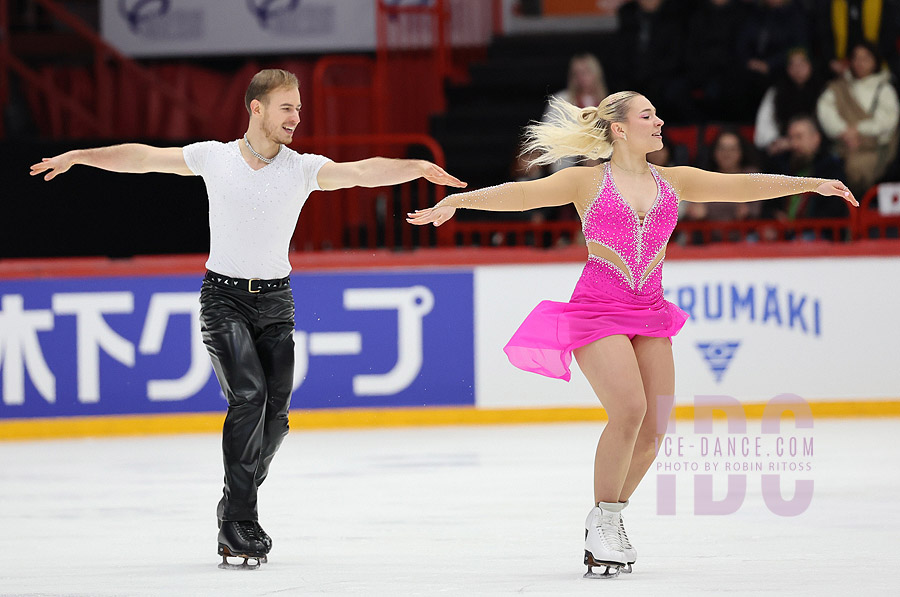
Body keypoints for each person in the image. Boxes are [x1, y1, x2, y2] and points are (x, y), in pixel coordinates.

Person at [407, 91, 856, 579]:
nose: (661, 121)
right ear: (620, 129)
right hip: (598, 311)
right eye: (649, 115)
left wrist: (811, 182)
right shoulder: (586, 180)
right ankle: (605, 522)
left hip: (649, 312)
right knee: (630, 410)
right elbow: (521, 195)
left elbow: (741, 185)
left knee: (654, 429)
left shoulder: (672, 181)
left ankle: (606, 519)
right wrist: (460, 201)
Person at [29, 69, 464, 569]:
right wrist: (81, 156)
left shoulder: (302, 169)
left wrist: (415, 167)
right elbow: (144, 159)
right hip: (224, 301)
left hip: (277, 304)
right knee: (249, 397)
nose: (296, 117)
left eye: (298, 108)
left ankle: (233, 502)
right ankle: (240, 521)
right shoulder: (214, 158)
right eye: (287, 108)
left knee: (275, 420)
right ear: (256, 108)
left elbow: (361, 171)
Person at [817, 40, 900, 196]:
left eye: (866, 58)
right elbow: (825, 110)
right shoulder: (840, 86)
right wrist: (844, 132)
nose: (860, 63)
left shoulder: (884, 87)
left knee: (856, 168)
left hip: (874, 148)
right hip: (843, 145)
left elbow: (888, 120)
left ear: (875, 61)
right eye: (856, 58)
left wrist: (858, 131)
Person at [543, 53, 609, 174]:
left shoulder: (608, 102)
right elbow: (549, 134)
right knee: (589, 155)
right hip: (570, 159)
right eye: (576, 73)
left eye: (585, 72)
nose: (580, 77)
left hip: (604, 156)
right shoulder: (561, 101)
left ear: (596, 73)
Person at [754, 48, 826, 155]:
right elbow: (764, 127)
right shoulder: (776, 92)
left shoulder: (824, 91)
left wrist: (805, 141)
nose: (797, 69)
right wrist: (778, 141)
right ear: (787, 69)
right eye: (793, 65)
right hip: (784, 147)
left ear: (810, 65)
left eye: (802, 64)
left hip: (819, 147)